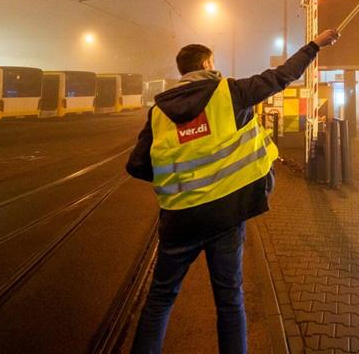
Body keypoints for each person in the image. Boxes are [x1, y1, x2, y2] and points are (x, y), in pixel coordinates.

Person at [126, 28, 340, 354]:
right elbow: (282, 76)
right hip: (225, 216)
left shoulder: (158, 112)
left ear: (183, 70)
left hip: (179, 220)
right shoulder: (230, 93)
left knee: (159, 299)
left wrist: (181, 172)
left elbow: (137, 165)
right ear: (208, 63)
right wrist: (315, 45)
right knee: (229, 300)